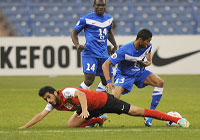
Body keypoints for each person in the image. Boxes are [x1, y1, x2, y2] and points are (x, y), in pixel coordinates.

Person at [19, 86, 189, 129]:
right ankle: (100, 119)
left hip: (104, 101)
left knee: (136, 112)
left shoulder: (67, 92)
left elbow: (82, 95)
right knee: (70, 125)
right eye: (45, 99)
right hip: (91, 109)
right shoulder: (53, 104)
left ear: (55, 92)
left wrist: (85, 110)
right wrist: (24, 127)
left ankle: (176, 119)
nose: (48, 100)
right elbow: (40, 115)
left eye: (49, 96)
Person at [102, 28, 164, 127]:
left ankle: (150, 115)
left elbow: (149, 49)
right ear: (140, 40)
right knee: (114, 100)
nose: (149, 44)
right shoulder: (124, 50)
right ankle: (98, 116)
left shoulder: (147, 46)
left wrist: (149, 60)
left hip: (139, 73)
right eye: (147, 41)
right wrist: (108, 81)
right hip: (124, 75)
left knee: (160, 82)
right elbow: (105, 64)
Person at [71, 0, 118, 93]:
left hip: (104, 54)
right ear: (94, 6)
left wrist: (115, 45)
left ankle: (98, 102)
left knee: (106, 80)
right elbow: (74, 33)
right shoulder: (86, 19)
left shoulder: (109, 19)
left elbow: (108, 32)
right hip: (90, 53)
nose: (101, 7)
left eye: (103, 5)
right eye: (98, 5)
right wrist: (77, 45)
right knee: (89, 80)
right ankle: (74, 98)